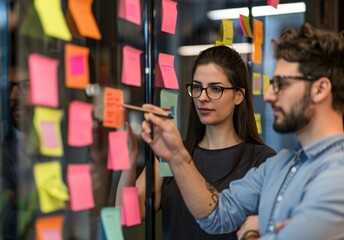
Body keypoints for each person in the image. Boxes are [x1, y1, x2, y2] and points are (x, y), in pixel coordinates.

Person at [141, 23, 344, 240]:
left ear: (320, 89)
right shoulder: (280, 165)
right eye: (198, 87)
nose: (268, 96)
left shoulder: (337, 174)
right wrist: (177, 156)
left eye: (281, 84)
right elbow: (217, 214)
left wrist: (256, 232)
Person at [116, 45, 276, 239]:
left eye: (215, 89)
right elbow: (125, 215)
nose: (202, 97)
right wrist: (129, 157)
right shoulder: (172, 153)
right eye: (197, 87)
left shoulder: (261, 161)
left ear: (238, 96)